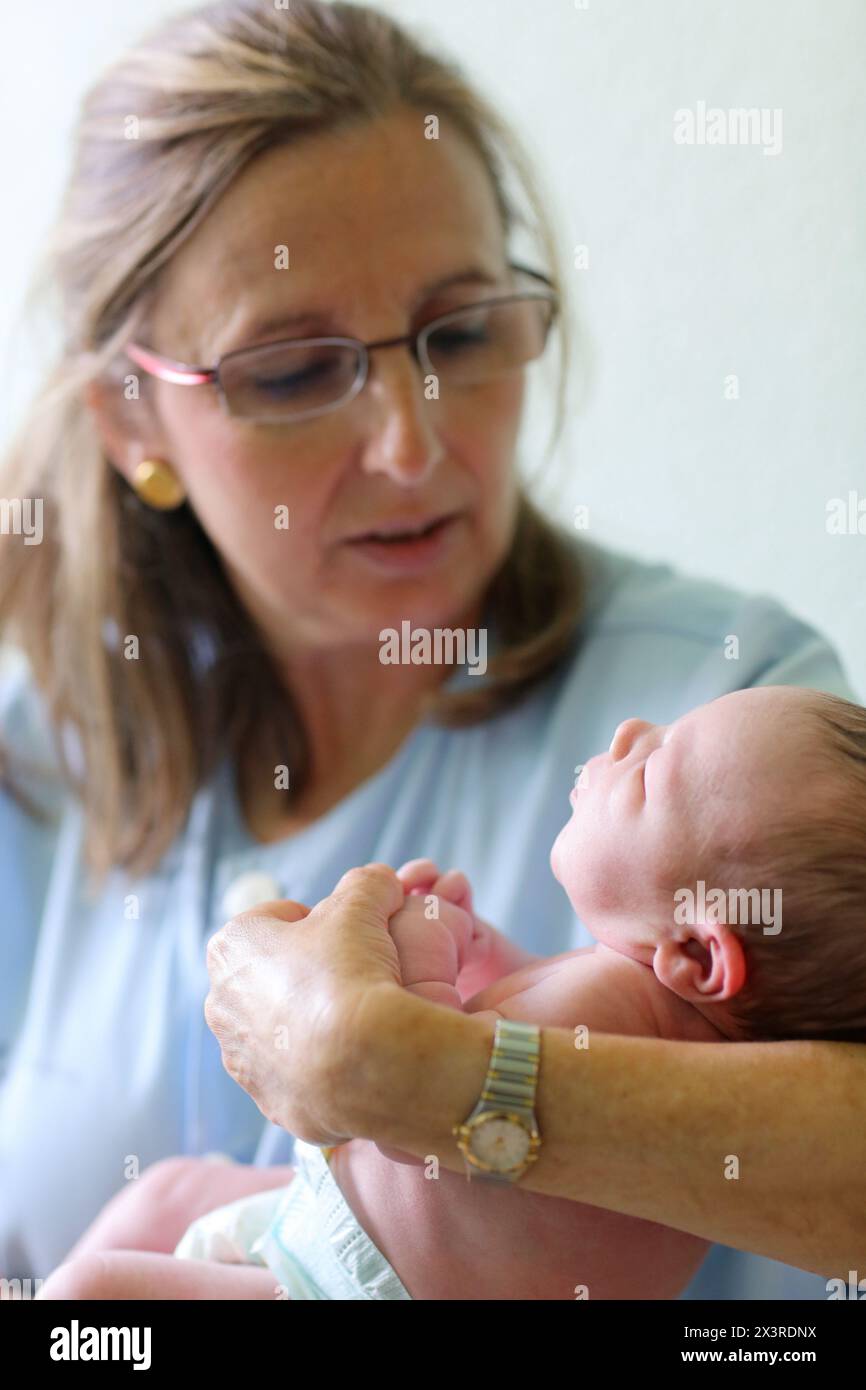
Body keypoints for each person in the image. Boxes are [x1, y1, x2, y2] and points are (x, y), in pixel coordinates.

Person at [0, 0, 863, 1301]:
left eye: (459, 334)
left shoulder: (723, 719)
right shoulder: (33, 758)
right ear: (136, 424)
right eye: (294, 370)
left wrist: (392, 1067)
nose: (411, 444)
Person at [34, 685, 866, 1300]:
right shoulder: (646, 1018)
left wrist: (415, 958)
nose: (629, 732)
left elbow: (421, 1112)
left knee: (93, 1298)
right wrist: (480, 956)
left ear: (697, 951)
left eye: (651, 777)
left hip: (350, 1286)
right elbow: (505, 1042)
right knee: (171, 1192)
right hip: (334, 1231)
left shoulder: (616, 1015)